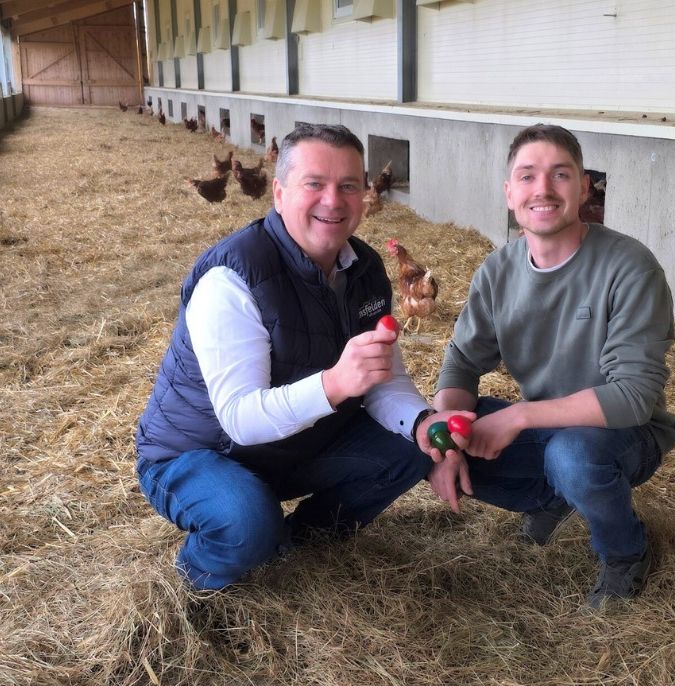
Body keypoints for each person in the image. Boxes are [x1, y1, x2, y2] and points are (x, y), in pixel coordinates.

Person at [136, 124, 465, 590]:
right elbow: (239, 418)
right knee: (245, 520)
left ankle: (298, 545)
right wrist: (335, 384)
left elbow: (383, 378)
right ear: (279, 192)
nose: (333, 200)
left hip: (294, 442)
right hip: (201, 453)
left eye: (348, 185)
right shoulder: (232, 277)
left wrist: (422, 423)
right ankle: (197, 579)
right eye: (315, 183)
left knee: (408, 449)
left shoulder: (366, 270)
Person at [424, 124, 675, 610]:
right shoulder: (498, 271)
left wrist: (519, 415)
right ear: (509, 193)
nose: (542, 189)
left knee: (573, 456)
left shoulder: (629, 267)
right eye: (527, 176)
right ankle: (553, 499)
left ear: (584, 188)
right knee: (425, 433)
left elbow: (633, 397)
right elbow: (461, 361)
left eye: (560, 174)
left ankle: (626, 554)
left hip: (627, 434)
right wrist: (447, 439)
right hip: (551, 426)